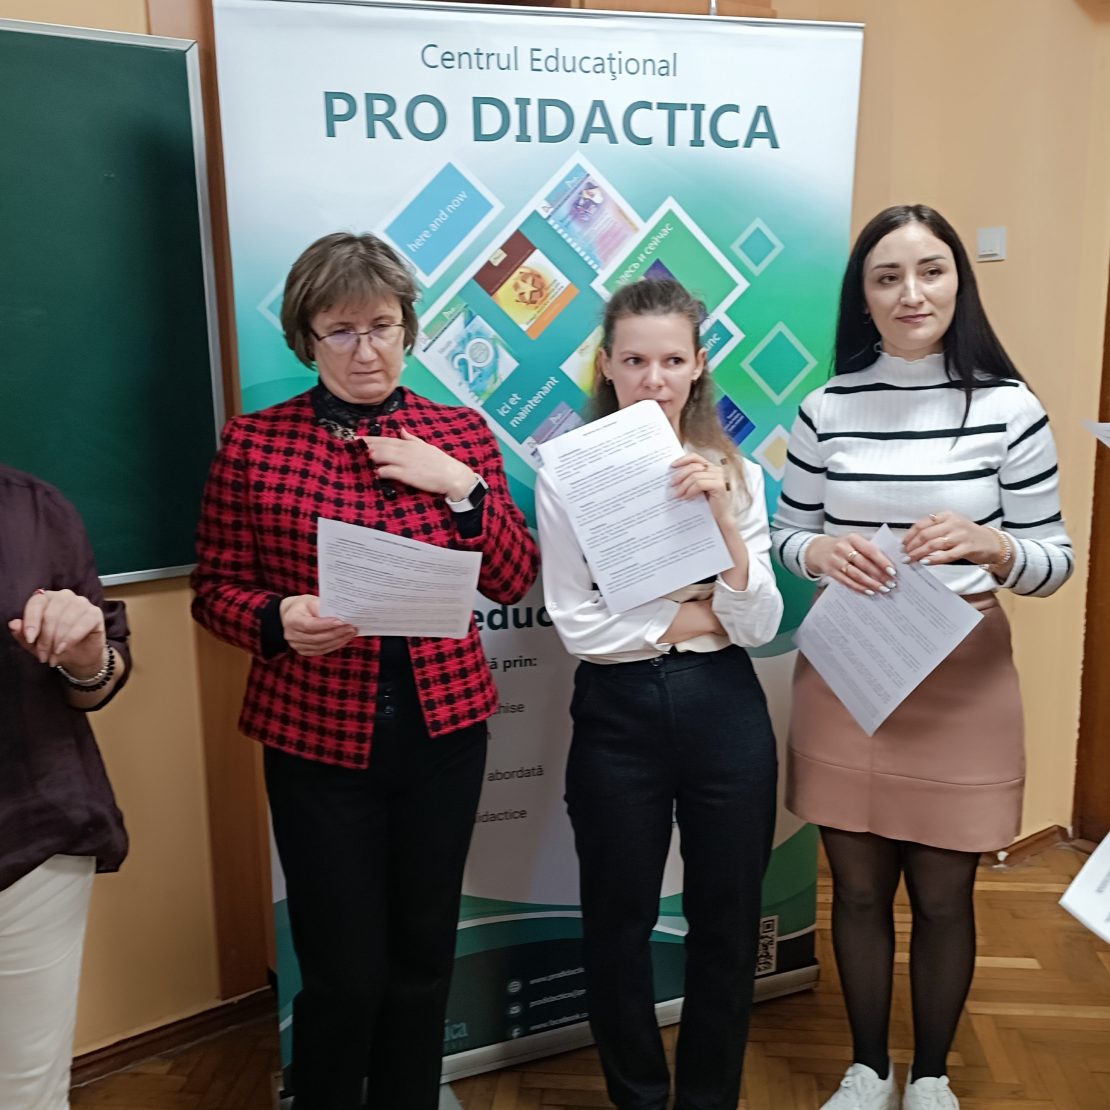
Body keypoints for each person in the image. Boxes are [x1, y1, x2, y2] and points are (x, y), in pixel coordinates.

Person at [191, 232, 539, 1110]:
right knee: (343, 972)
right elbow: (214, 590)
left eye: (382, 326)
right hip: (315, 742)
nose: (365, 350)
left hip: (444, 734)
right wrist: (276, 619)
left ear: (408, 328)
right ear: (305, 338)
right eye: (340, 330)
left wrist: (461, 488)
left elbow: (512, 578)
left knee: (423, 958)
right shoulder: (255, 444)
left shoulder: (458, 434)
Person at [771, 204, 1073, 1110]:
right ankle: (868, 1069)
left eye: (931, 270)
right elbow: (787, 535)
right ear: (863, 297)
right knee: (858, 894)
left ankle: (932, 1075)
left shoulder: (1010, 408)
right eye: (887, 276)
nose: (912, 292)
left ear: (958, 283)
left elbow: (1054, 562)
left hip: (962, 677)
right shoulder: (826, 407)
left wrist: (993, 546)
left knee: (944, 897)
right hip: (851, 670)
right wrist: (819, 554)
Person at [536, 279, 783, 1110]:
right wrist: (699, 610)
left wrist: (721, 523)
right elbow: (580, 626)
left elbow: (759, 623)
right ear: (606, 365)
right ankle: (637, 1098)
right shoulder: (569, 476)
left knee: (728, 920)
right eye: (635, 360)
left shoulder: (735, 472)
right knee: (617, 922)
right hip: (618, 714)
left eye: (672, 360)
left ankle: (708, 1100)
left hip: (725, 706)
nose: (653, 379)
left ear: (699, 365)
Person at [0, 465, 131, 1110]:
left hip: (29, 839)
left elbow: (99, 681)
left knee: (26, 1088)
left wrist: (87, 657)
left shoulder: (33, 510)